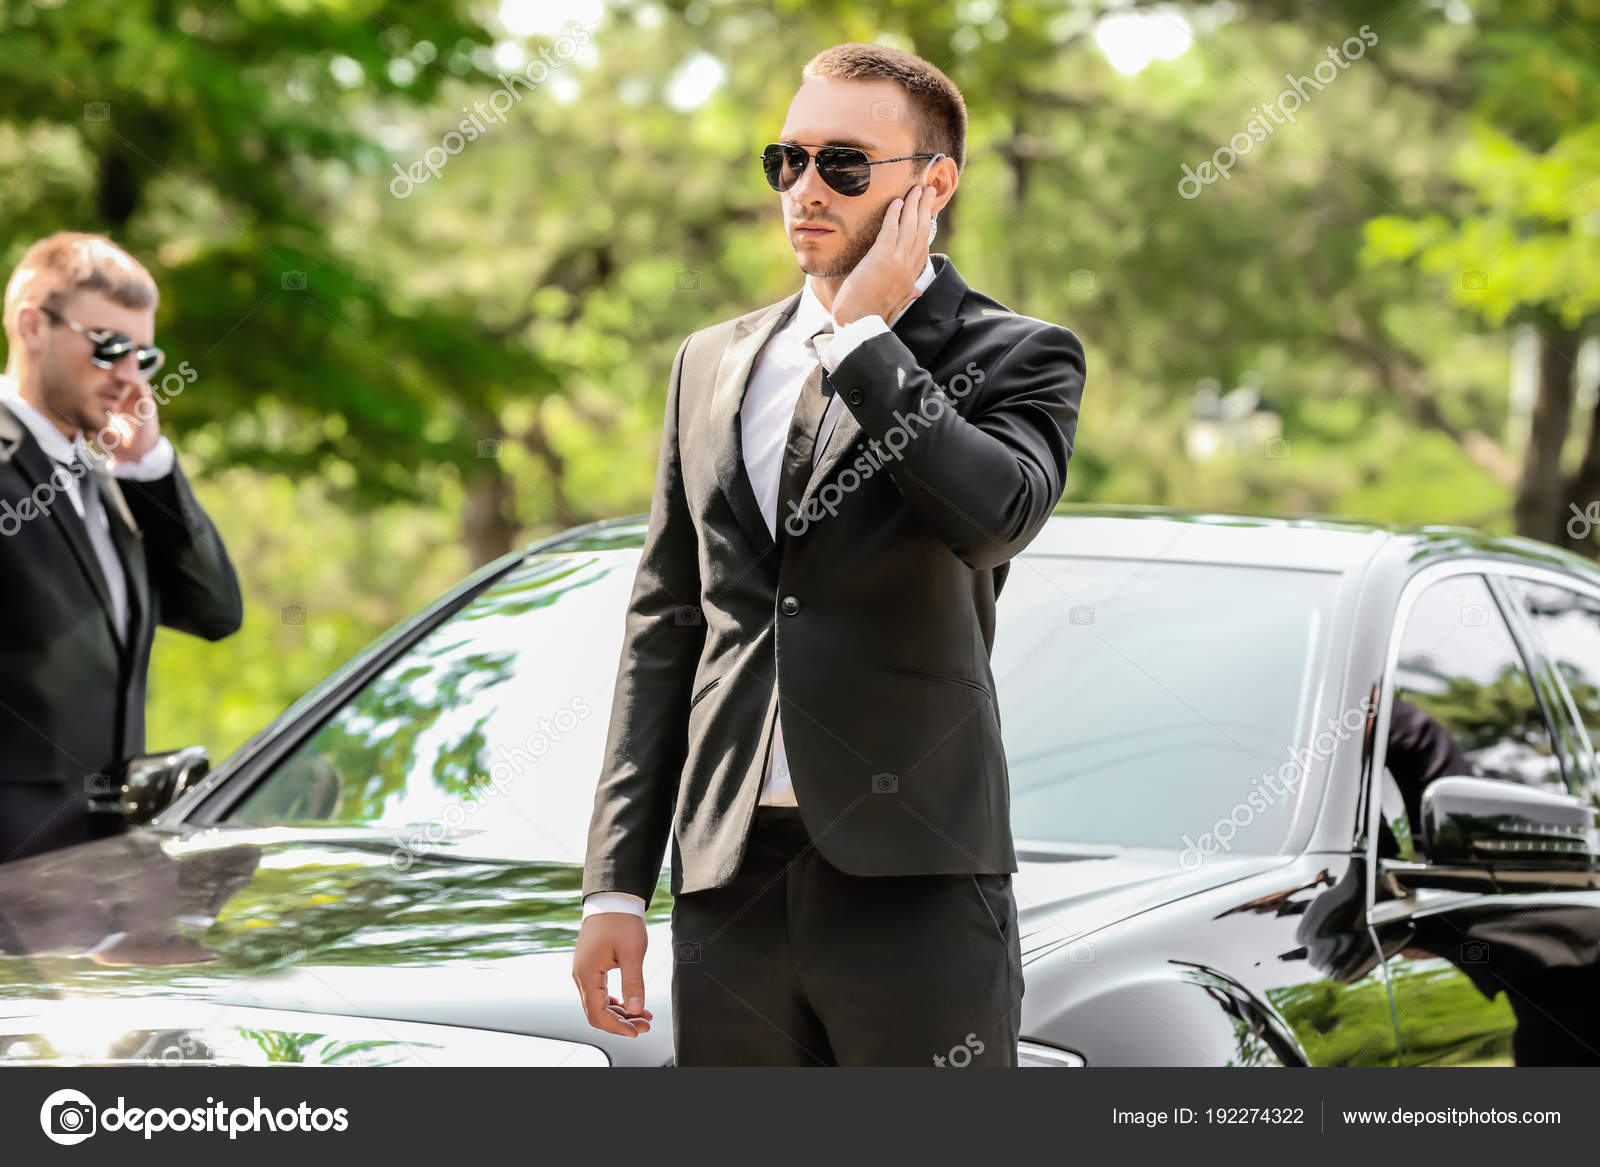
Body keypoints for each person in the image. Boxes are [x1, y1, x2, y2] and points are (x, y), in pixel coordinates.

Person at [573, 43, 1086, 1065]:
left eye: (843, 164)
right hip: (729, 888)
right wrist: (616, 884)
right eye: (787, 160)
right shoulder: (708, 362)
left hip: (918, 889)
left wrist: (861, 344)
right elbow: (668, 621)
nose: (804, 188)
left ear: (929, 186)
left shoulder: (1017, 355)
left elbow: (994, 519)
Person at [0, 232, 243, 863]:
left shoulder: (110, 482)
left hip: (99, 889)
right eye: (109, 348)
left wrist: (149, 467)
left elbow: (215, 612)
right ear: (31, 326)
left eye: (145, 356)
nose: (130, 377)